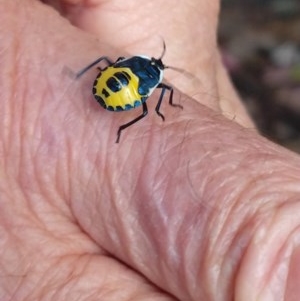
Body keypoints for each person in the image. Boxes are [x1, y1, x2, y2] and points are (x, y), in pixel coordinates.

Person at [1, 0, 299, 300]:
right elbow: (156, 97)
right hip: (120, 88)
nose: (157, 64)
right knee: (146, 112)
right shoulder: (156, 84)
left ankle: (101, 102)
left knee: (110, 65)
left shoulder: (136, 65)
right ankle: (119, 126)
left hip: (112, 80)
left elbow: (118, 65)